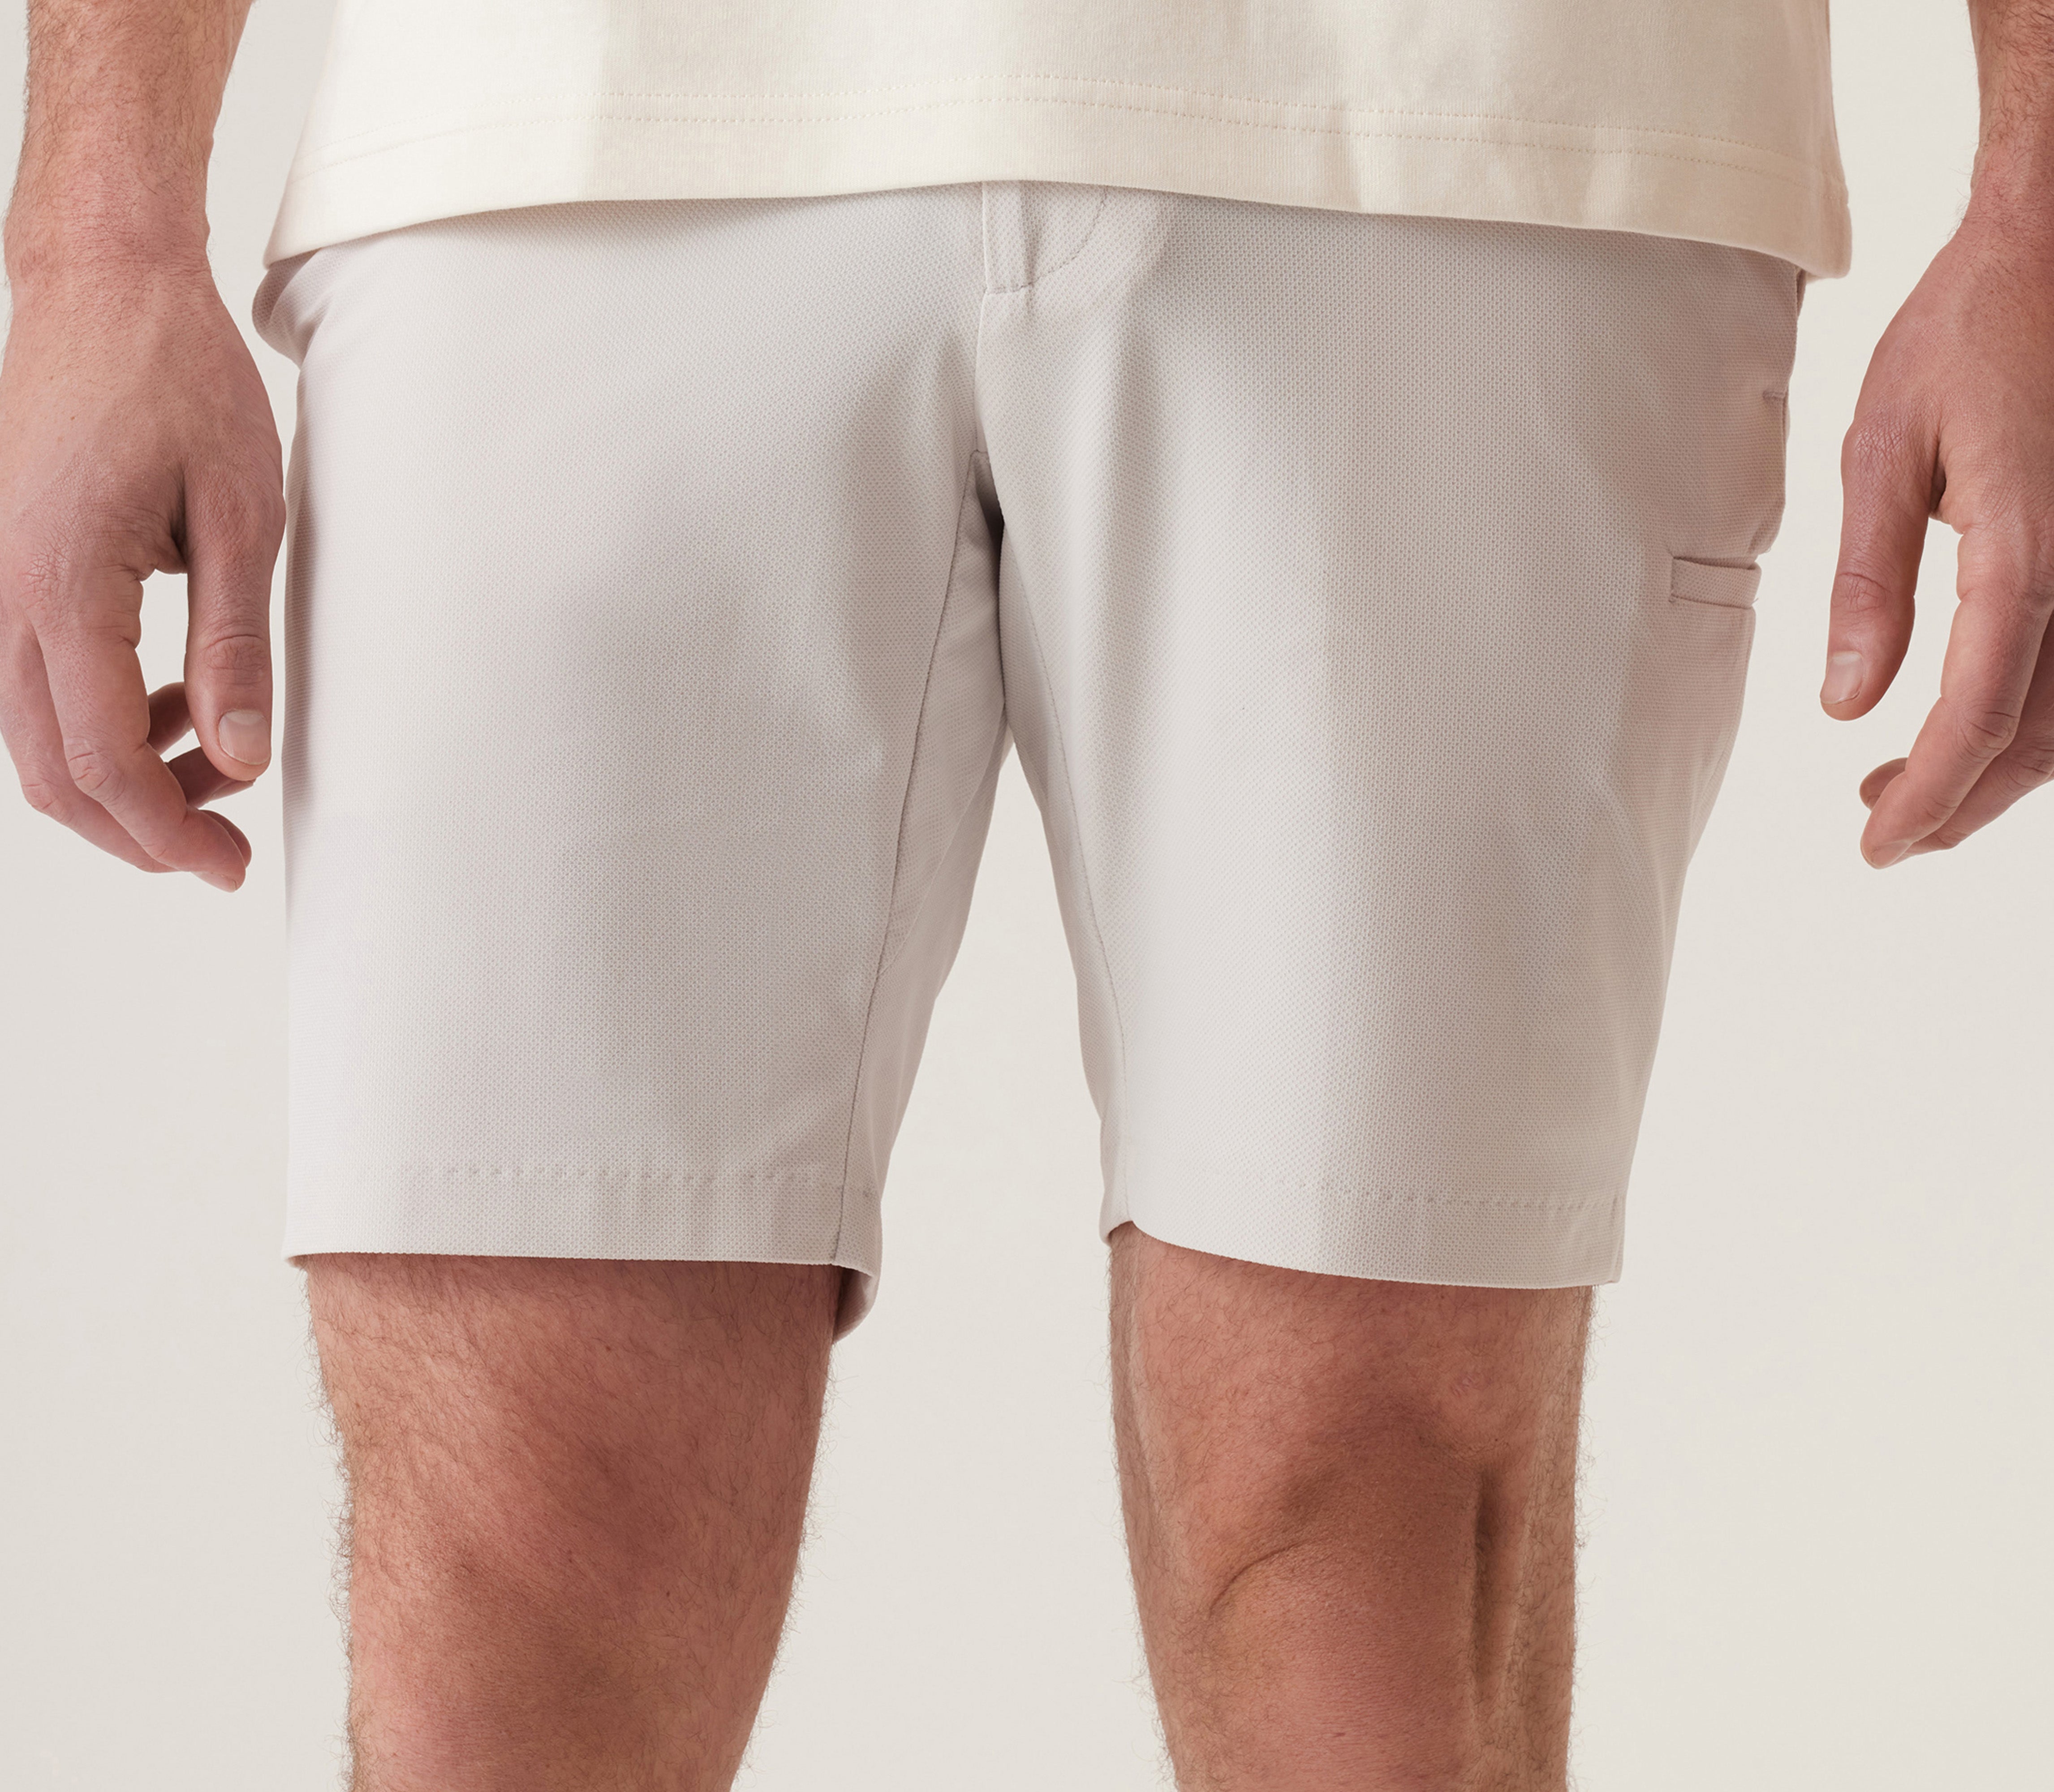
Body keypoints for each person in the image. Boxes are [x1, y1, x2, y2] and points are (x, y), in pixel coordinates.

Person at [0, 0, 2047, 1785]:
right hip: (557, 123)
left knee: (1359, 1567)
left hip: (1471, 112)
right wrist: (96, 226)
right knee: (506, 1583)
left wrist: (2039, 208)